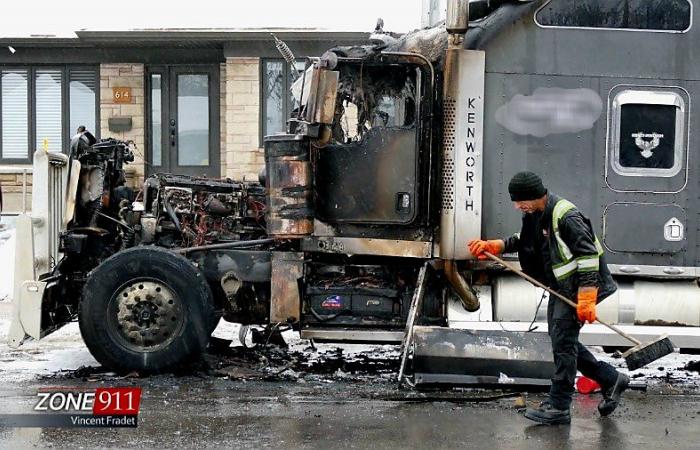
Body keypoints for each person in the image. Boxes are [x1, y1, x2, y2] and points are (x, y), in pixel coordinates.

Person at [468, 171, 629, 425]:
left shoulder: (566, 215)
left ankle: (559, 406)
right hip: (562, 288)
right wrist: (496, 245)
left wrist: (587, 297)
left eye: (519, 200)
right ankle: (610, 379)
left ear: (533, 195)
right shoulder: (535, 214)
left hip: (579, 289)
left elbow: (587, 256)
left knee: (564, 346)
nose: (516, 205)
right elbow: (525, 240)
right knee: (561, 340)